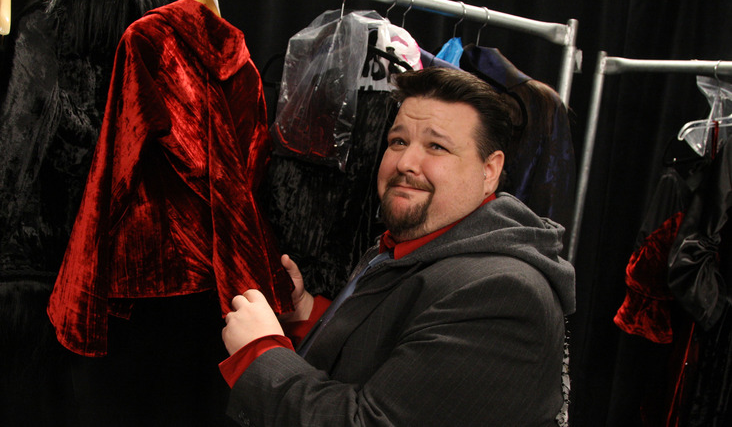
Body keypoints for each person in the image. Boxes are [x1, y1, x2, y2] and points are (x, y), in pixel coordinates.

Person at [219, 67, 576, 426]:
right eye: (398, 142)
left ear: (489, 170)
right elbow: (391, 347)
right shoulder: (418, 243)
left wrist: (259, 354)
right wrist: (306, 312)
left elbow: (370, 421)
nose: (405, 163)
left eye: (436, 146)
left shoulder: (502, 293)